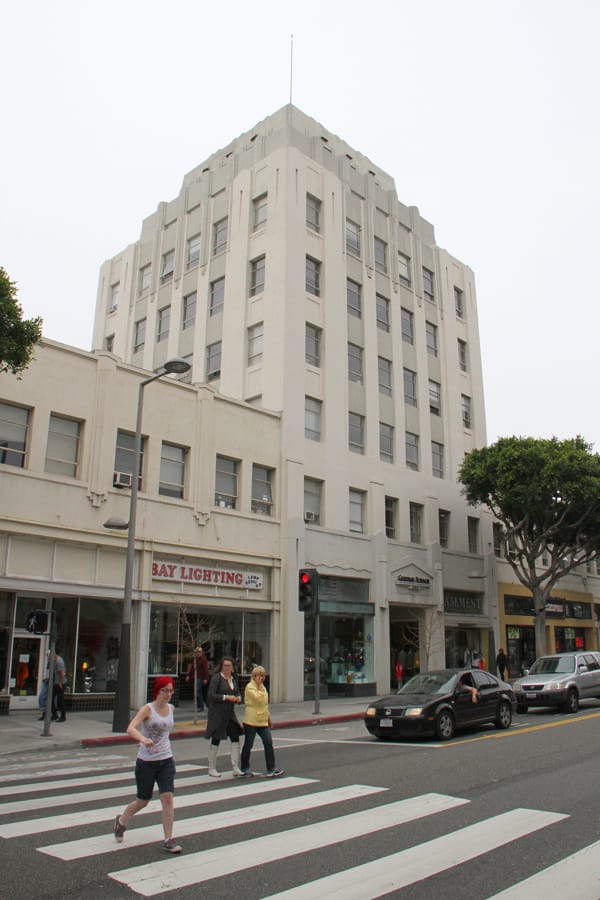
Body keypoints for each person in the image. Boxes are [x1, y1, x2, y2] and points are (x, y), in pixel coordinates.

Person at [113, 675, 182, 854]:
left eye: (170, 691)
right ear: (157, 691)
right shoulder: (147, 709)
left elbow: (165, 732)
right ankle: (121, 821)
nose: (168, 694)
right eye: (164, 690)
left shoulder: (171, 709)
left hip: (166, 759)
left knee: (167, 798)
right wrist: (143, 739)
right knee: (143, 800)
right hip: (146, 762)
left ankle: (168, 839)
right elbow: (131, 728)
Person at [240, 666, 284, 778]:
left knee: (268, 742)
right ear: (254, 676)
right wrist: (259, 686)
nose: (262, 678)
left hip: (262, 720)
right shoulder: (250, 687)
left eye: (263, 675)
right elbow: (258, 699)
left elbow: (264, 704)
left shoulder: (263, 687)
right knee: (248, 744)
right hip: (251, 720)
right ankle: (244, 767)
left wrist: (269, 719)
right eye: (259, 675)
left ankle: (271, 768)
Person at [204, 656, 243, 777]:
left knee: (235, 738)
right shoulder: (217, 678)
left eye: (229, 666)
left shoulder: (233, 679)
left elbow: (237, 692)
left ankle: (235, 767)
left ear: (233, 668)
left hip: (230, 714)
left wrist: (238, 698)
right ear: (221, 666)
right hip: (218, 713)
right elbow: (210, 695)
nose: (227, 668)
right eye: (225, 665)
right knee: (216, 738)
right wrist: (226, 697)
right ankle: (211, 767)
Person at [186, 647, 209, 712]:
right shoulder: (195, 659)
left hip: (200, 678)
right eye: (196, 652)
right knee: (197, 692)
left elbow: (206, 670)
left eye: (199, 652)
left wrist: (205, 678)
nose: (197, 653)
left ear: (201, 653)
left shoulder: (203, 660)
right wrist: (188, 675)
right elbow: (192, 668)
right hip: (195, 677)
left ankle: (201, 707)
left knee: (197, 692)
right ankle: (199, 706)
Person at [52, 651, 67, 722]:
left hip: (60, 683)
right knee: (51, 698)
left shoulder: (59, 662)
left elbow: (62, 674)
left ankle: (63, 716)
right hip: (56, 683)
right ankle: (54, 714)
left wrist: (60, 683)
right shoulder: (55, 661)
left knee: (60, 700)